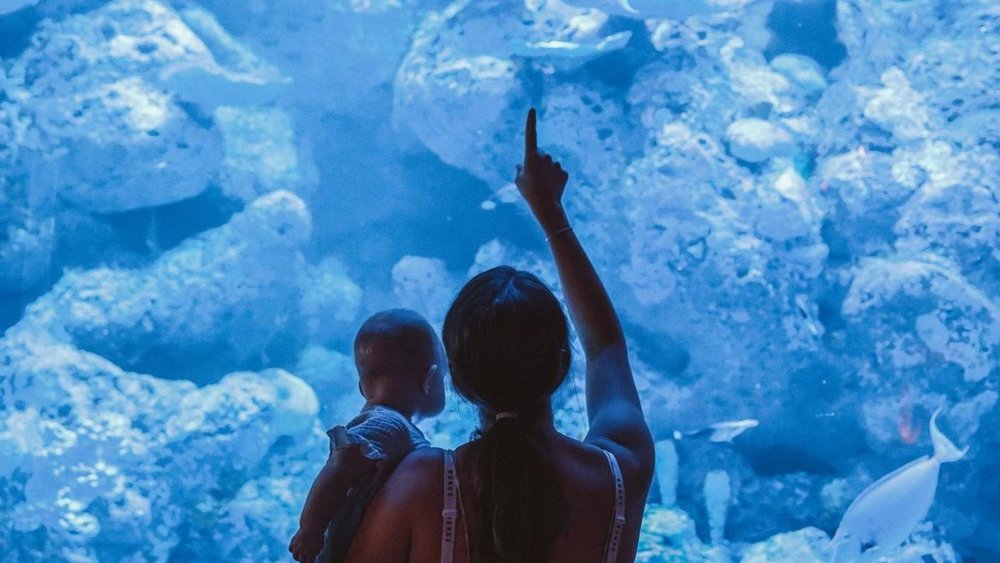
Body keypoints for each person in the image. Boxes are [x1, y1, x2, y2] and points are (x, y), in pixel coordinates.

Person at [344, 109, 655, 562]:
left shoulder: (424, 483)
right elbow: (606, 347)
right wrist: (551, 213)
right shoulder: (619, 476)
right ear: (563, 362)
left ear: (456, 380)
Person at [289, 309, 447, 563]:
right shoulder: (386, 425)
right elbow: (339, 468)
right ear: (429, 380)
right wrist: (311, 529)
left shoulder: (390, 425)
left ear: (362, 388)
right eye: (443, 378)